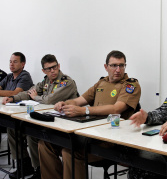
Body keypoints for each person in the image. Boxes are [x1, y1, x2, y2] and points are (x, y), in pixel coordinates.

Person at [38, 50, 141, 179]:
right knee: (45, 144)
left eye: (122, 65)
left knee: (69, 152)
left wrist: (84, 110)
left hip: (109, 140)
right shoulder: (101, 83)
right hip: (89, 134)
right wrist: (63, 103)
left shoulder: (130, 84)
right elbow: (79, 100)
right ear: (106, 67)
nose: (118, 69)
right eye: (114, 65)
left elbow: (116, 109)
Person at [3, 54, 78, 179]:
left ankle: (40, 170)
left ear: (59, 66)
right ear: (43, 70)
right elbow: (29, 92)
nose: (52, 71)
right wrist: (13, 98)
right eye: (48, 69)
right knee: (14, 129)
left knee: (33, 133)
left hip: (64, 123)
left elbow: (50, 100)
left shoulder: (66, 82)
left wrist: (35, 97)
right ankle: (28, 165)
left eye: (54, 67)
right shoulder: (46, 81)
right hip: (48, 118)